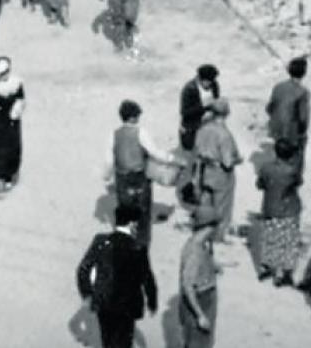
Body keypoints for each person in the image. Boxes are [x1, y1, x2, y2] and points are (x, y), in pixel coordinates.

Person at [76, 203, 158, 348]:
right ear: (132, 224)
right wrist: (152, 301)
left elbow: (83, 269)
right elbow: (147, 278)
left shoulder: (101, 241)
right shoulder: (137, 247)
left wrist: (87, 294)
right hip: (127, 307)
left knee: (107, 341)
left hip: (104, 303)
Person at [112, 99, 173, 248]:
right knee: (143, 212)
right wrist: (171, 158)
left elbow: (109, 159)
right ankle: (141, 243)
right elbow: (154, 152)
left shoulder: (114, 134)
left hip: (121, 177)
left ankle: (124, 240)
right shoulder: (140, 132)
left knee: (125, 209)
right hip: (138, 177)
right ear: (133, 117)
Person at [253, 137, 305, 284]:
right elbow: (299, 183)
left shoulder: (266, 168)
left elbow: (259, 184)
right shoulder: (292, 171)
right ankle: (286, 273)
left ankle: (270, 268)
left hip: (270, 207)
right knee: (289, 241)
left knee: (270, 238)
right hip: (289, 208)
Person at [191, 98, 241, 236]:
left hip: (204, 171)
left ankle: (202, 230)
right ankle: (218, 235)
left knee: (205, 202)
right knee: (222, 205)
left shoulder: (202, 129)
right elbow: (228, 162)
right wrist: (238, 160)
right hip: (221, 174)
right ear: (227, 114)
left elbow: (197, 150)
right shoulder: (224, 135)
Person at [178, 215, 221, 348]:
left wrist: (213, 266)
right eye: (214, 227)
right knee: (197, 343)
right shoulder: (194, 253)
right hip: (200, 300)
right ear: (207, 228)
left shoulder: (201, 244)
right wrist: (200, 315)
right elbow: (187, 286)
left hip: (206, 295)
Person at [0, 55, 26, 193]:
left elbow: (21, 98)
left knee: (12, 147)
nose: (5, 75)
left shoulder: (16, 82)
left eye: (7, 71)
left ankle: (9, 175)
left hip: (12, 121)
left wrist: (17, 109)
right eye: (1, 73)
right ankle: (0, 180)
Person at [266, 57, 310, 163]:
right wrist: (302, 133)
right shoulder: (302, 92)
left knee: (280, 154)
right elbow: (303, 118)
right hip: (291, 132)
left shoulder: (278, 87)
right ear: (304, 73)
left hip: (276, 129)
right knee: (295, 158)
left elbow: (269, 108)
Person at [181, 64, 221, 152]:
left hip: (210, 123)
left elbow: (217, 101)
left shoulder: (214, 85)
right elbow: (184, 112)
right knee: (192, 149)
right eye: (208, 82)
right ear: (200, 79)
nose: (210, 84)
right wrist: (203, 107)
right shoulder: (189, 89)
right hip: (192, 126)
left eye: (211, 81)